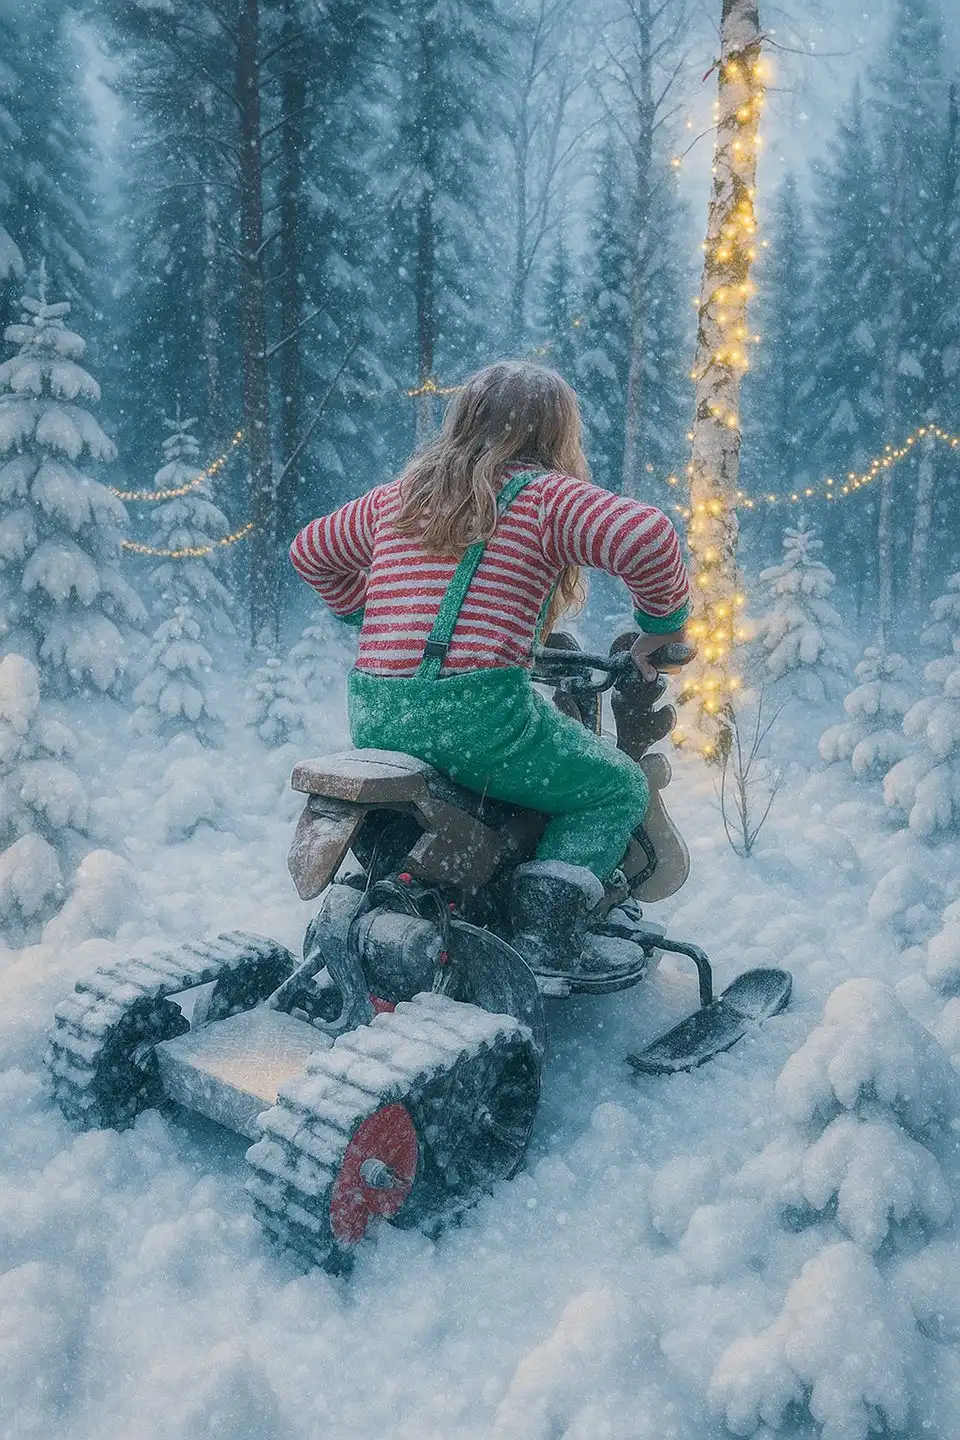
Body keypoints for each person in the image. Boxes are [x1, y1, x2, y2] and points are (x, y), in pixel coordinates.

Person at [290, 360, 690, 988]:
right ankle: (546, 932)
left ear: (462, 419)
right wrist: (661, 629)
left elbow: (310, 549)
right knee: (615, 787)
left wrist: (364, 612)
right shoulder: (543, 497)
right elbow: (648, 537)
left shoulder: (398, 497)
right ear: (555, 434)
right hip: (478, 718)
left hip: (378, 714)